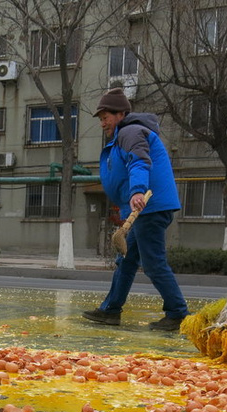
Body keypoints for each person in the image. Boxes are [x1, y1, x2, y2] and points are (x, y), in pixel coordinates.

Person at [82, 88, 189, 331]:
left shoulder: (130, 131)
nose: (103, 124)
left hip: (150, 206)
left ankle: (178, 313)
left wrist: (137, 191)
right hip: (144, 209)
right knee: (127, 260)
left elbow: (139, 161)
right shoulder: (123, 133)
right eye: (100, 119)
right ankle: (110, 310)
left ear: (120, 114)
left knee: (153, 263)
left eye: (105, 117)